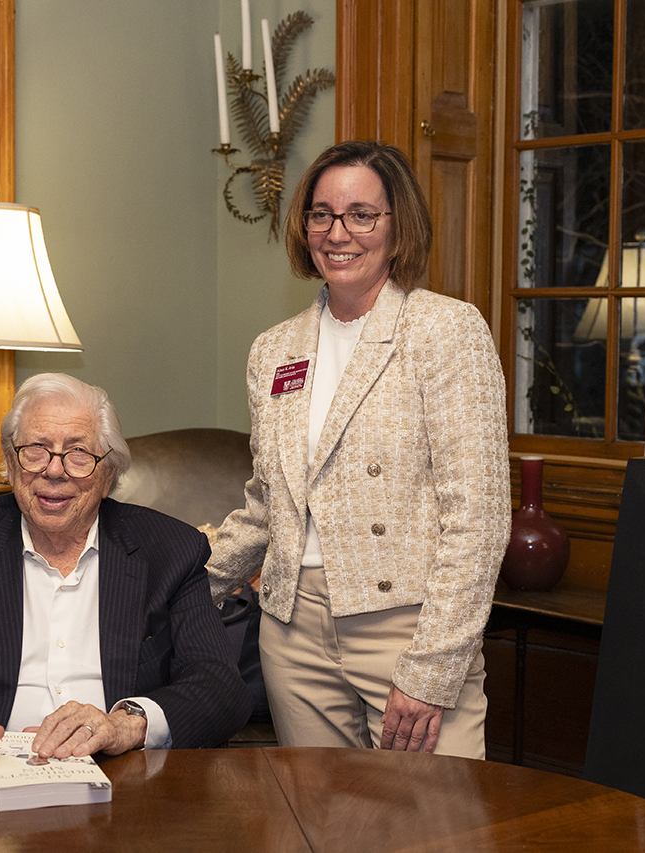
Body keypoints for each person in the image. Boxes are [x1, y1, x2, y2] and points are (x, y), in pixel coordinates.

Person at [206, 140, 510, 758]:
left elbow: (477, 521)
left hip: (405, 629)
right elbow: (268, 507)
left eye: (362, 214)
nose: (338, 232)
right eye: (322, 214)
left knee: (432, 830)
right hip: (291, 635)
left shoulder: (446, 331)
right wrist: (171, 580)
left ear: (399, 229)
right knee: (322, 830)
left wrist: (433, 669)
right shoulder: (274, 349)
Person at [0, 373, 252, 789]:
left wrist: (126, 725)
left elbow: (220, 687)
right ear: (10, 462)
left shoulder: (169, 550)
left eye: (79, 453)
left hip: (125, 787)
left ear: (109, 473)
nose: (54, 471)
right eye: (35, 451)